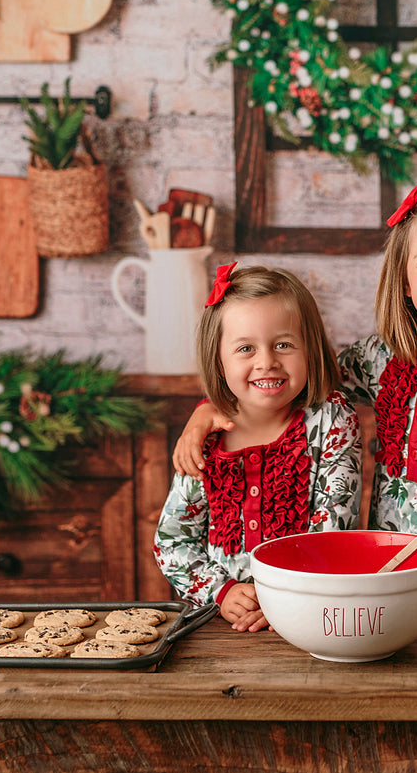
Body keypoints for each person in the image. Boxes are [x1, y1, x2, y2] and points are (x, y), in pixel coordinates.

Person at [175, 184, 417, 604]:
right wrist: (209, 408)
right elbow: (291, 381)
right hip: (395, 595)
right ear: (405, 280)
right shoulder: (377, 359)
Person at [154, 264, 361, 632]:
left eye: (283, 344)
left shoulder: (331, 420)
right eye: (246, 348)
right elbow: (172, 542)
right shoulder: (206, 440)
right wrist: (222, 592)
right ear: (219, 362)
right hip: (221, 628)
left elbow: (333, 528)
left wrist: (286, 599)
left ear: (310, 349)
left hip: (311, 617)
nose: (266, 362)